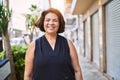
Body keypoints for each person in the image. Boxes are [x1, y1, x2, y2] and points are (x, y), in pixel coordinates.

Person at [24, 8, 83, 80]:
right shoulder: (34, 45)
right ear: (43, 22)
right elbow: (28, 75)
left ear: (59, 23)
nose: (51, 23)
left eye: (55, 20)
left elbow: (77, 71)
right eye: (47, 20)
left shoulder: (68, 44)